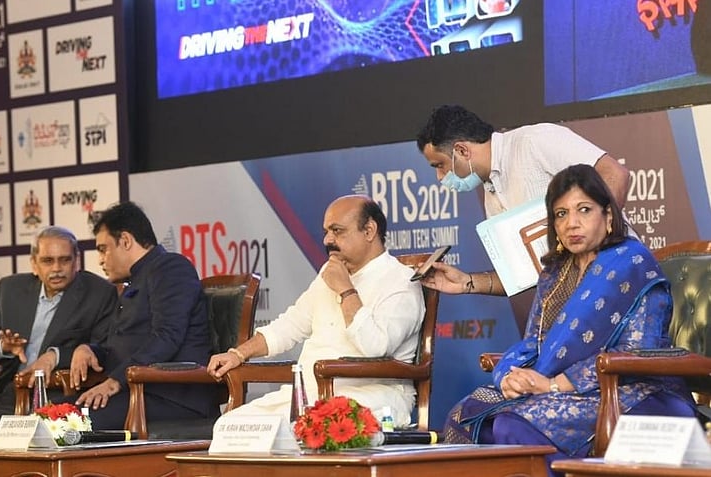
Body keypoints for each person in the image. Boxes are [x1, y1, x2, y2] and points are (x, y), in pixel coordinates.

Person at [442, 165, 695, 476]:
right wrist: (510, 376)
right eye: (561, 214)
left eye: (584, 210)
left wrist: (553, 384)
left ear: (608, 215)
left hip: (635, 390)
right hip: (559, 389)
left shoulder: (632, 263)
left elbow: (637, 352)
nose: (571, 223)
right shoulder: (555, 272)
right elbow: (533, 342)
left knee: (513, 424)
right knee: (466, 414)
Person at [207, 195, 425, 427]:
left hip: (373, 395)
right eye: (326, 232)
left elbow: (376, 347)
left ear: (369, 230)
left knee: (302, 429)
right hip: (312, 395)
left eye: (337, 231)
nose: (328, 240)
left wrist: (346, 291)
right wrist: (238, 354)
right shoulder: (329, 273)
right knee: (230, 427)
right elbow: (290, 325)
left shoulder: (401, 282)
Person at [415, 105, 631, 296]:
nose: (440, 177)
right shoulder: (491, 192)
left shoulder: (534, 141)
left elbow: (614, 174)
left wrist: (591, 256)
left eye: (439, 165)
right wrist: (468, 283)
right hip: (567, 302)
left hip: (616, 276)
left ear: (461, 150)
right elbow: (528, 274)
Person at [0, 226, 115, 437]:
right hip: (9, 388)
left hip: (54, 393)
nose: (57, 268)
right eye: (47, 261)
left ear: (77, 261)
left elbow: (102, 349)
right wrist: (4, 347)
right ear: (34, 264)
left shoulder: (98, 293)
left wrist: (55, 356)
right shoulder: (11, 289)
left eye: (65, 260)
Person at [68, 201, 218, 430]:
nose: (100, 260)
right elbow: (122, 346)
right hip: (135, 391)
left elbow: (167, 336)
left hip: (170, 397)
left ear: (126, 240)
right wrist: (89, 349)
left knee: (64, 424)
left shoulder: (170, 268)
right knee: (44, 418)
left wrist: (115, 381)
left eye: (103, 249)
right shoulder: (135, 281)